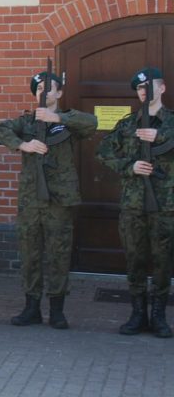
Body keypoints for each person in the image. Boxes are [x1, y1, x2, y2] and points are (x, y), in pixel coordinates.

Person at [0, 72, 97, 329]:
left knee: (58, 254)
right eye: (39, 89)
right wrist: (22, 145)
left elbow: (92, 123)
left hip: (59, 199)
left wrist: (57, 117)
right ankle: (31, 307)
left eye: (50, 89)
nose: (44, 92)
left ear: (59, 94)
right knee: (30, 254)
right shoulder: (25, 121)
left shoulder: (69, 120)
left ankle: (57, 310)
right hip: (31, 199)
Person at [96, 67, 174, 338]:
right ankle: (137, 313)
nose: (145, 92)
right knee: (135, 259)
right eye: (141, 89)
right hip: (132, 203)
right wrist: (130, 166)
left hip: (165, 204)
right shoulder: (128, 124)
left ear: (162, 88)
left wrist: (162, 137)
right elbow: (104, 152)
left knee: (163, 260)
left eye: (150, 87)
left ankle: (159, 316)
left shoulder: (172, 123)